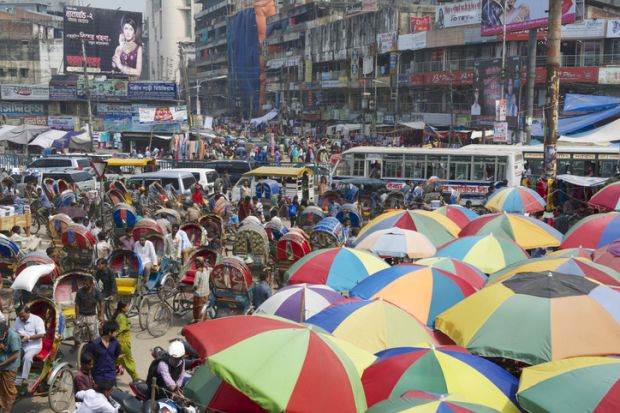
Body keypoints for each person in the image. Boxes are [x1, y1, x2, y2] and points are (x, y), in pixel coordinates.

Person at [13, 305, 45, 387]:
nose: (21, 319)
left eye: (23, 316)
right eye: (20, 317)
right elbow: (14, 332)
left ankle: (24, 378)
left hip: (34, 346)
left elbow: (41, 334)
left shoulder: (37, 320)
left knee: (27, 357)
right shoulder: (18, 319)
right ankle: (11, 376)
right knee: (11, 355)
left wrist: (29, 337)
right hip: (21, 344)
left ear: (28, 312)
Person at [75, 277, 104, 346]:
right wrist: (77, 318)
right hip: (82, 315)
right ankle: (76, 345)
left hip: (92, 316)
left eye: (87, 284)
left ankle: (96, 349)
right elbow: (77, 305)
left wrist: (101, 315)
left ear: (91, 284)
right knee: (76, 333)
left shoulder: (96, 292)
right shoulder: (79, 292)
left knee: (95, 335)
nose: (85, 285)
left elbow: (102, 303)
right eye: (84, 284)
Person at [113, 302, 137, 382]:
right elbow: (121, 328)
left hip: (118, 343)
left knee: (115, 360)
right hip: (123, 344)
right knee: (129, 362)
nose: (128, 307)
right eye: (127, 306)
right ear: (123, 308)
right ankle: (136, 379)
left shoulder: (119, 316)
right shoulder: (122, 317)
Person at [0, 321, 20, 412]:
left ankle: (6, 410)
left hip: (10, 366)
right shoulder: (2, 334)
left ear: (5, 331)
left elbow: (15, 355)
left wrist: (1, 364)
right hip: (2, 363)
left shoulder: (13, 337)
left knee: (9, 391)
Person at [192, 258, 211, 323]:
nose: (195, 264)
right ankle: (203, 320)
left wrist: (192, 290)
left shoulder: (198, 273)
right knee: (203, 307)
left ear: (198, 264)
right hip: (206, 293)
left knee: (197, 308)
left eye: (196, 263)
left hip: (198, 294)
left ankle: (197, 321)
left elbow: (195, 285)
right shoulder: (207, 270)